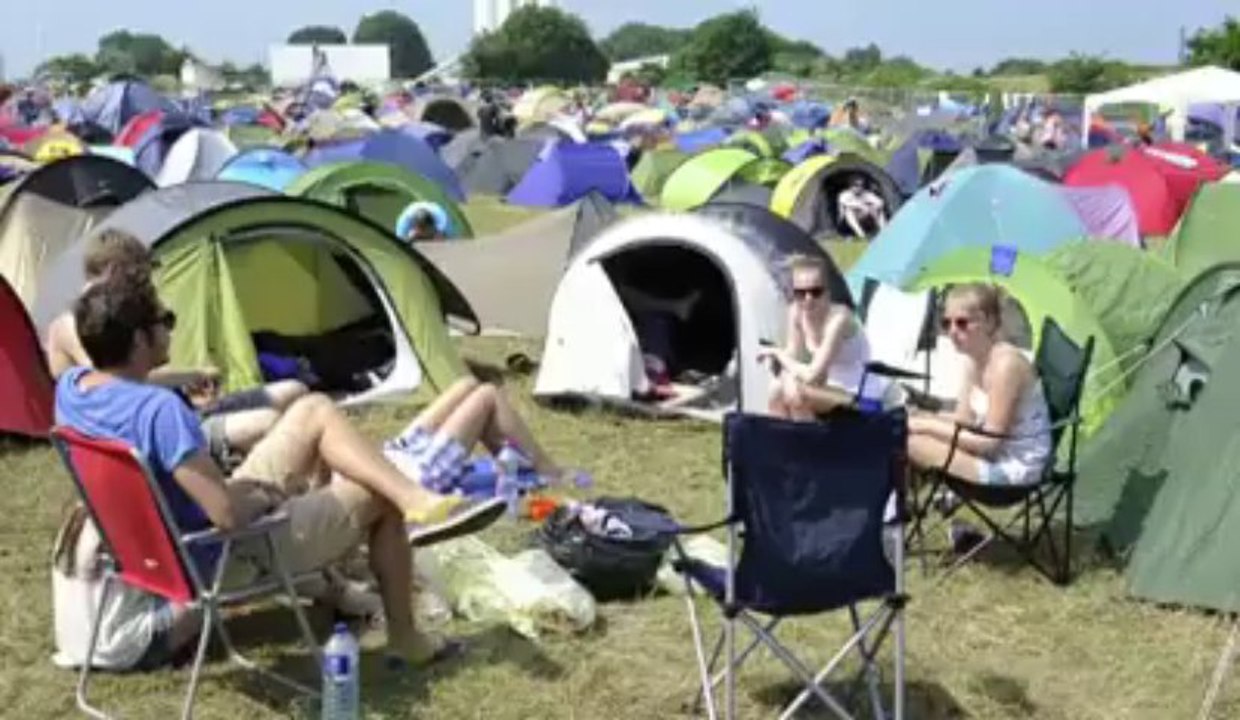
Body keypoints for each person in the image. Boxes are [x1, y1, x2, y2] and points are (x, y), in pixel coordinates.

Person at [52, 275, 505, 672]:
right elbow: (227, 515)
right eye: (164, 320)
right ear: (137, 341)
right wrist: (265, 495)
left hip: (167, 544)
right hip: (218, 553)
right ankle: (408, 638)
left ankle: (412, 500)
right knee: (376, 497)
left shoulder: (72, 392)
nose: (171, 327)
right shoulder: (158, 413)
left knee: (314, 409)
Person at [44, 228, 308, 462]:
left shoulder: (107, 315)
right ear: (114, 271)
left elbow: (131, 384)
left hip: (166, 420)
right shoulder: (81, 325)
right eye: (139, 276)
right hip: (153, 439)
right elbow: (120, 390)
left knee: (294, 391)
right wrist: (190, 379)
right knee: (270, 422)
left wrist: (188, 382)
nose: (144, 285)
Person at [906, 284, 1051, 486]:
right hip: (991, 454)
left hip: (1015, 470)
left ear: (989, 322)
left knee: (909, 441)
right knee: (902, 427)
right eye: (946, 324)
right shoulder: (972, 359)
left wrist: (926, 426)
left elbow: (989, 443)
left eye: (962, 323)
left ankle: (894, 509)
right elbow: (964, 419)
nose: (952, 332)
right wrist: (921, 416)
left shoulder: (1005, 365)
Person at [761, 255, 873, 420]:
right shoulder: (796, 312)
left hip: (860, 395)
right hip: (825, 387)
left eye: (816, 292)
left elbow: (812, 374)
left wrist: (777, 353)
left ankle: (808, 443)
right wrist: (787, 378)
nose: (808, 299)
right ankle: (783, 441)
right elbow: (793, 356)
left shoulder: (839, 318)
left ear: (827, 293)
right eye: (800, 293)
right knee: (777, 390)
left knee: (799, 393)